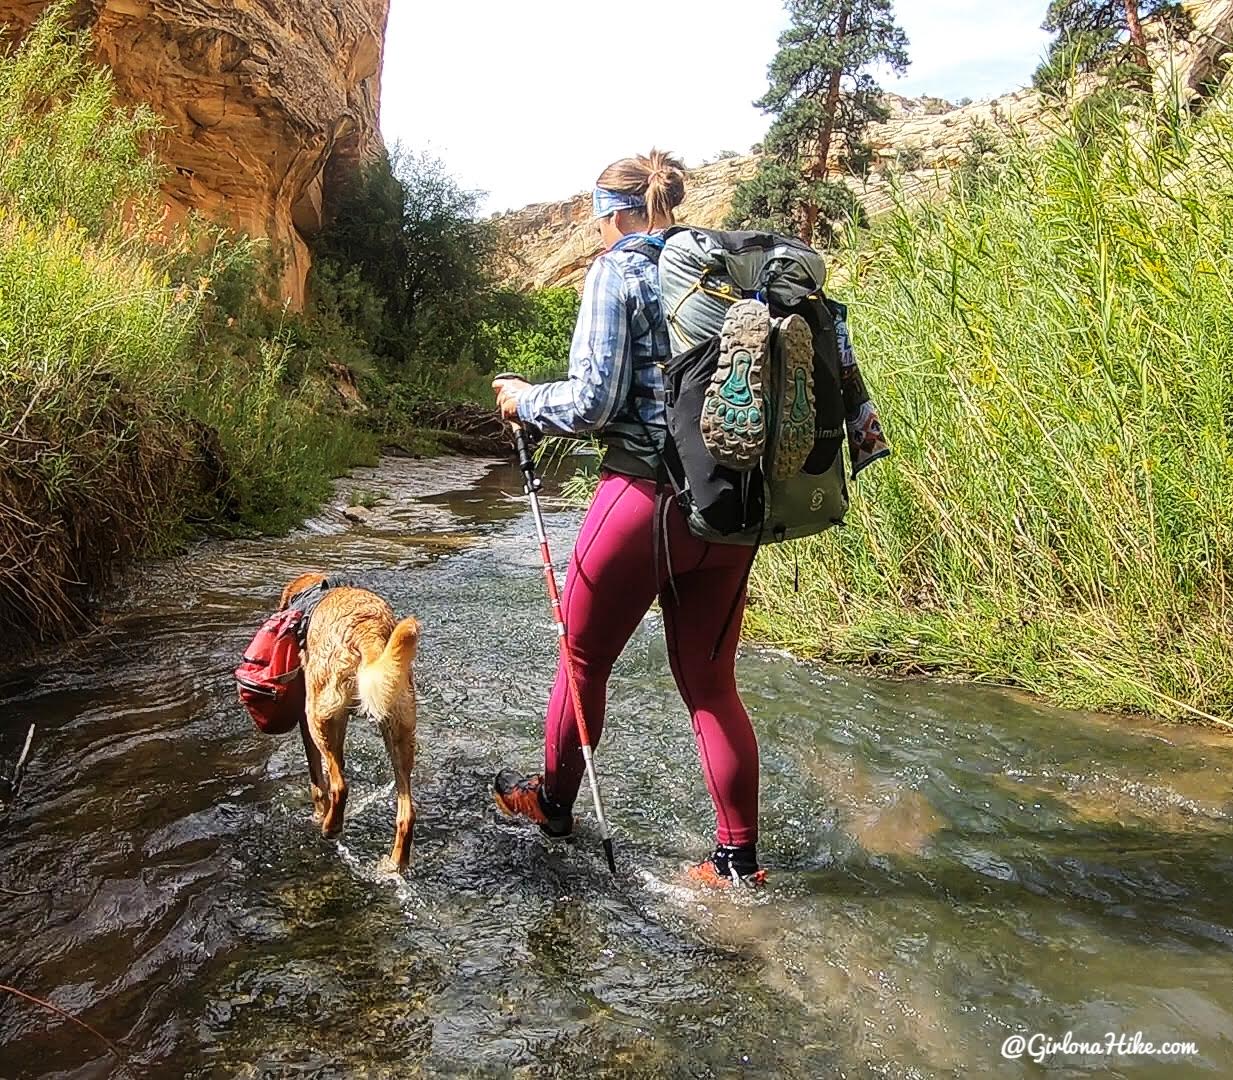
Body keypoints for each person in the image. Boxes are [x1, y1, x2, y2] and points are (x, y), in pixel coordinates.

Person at [490, 150, 767, 888]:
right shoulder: (725, 266)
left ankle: (549, 805)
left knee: (582, 661)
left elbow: (593, 403)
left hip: (641, 501)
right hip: (728, 509)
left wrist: (524, 399)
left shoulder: (620, 267)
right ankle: (735, 863)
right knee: (712, 685)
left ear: (607, 210)